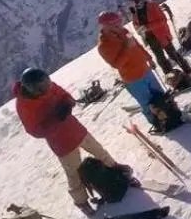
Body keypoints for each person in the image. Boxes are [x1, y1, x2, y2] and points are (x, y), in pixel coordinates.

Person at [14, 65, 131, 210]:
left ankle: (117, 171)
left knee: (100, 152)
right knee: (74, 173)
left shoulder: (49, 86)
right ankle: (81, 201)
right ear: (33, 89)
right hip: (61, 142)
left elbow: (66, 96)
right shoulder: (24, 105)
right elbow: (34, 130)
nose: (48, 87)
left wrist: (68, 104)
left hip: (75, 129)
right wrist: (55, 120)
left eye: (47, 83)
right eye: (42, 86)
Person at [97, 10, 174, 134]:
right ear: (106, 26)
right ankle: (158, 124)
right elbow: (117, 65)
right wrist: (127, 48)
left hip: (145, 70)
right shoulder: (103, 46)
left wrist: (149, 58)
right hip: (133, 79)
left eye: (119, 21)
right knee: (147, 103)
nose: (120, 25)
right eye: (116, 23)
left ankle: (171, 114)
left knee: (160, 95)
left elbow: (138, 46)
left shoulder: (125, 32)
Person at [125, 0, 191, 82]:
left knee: (173, 54)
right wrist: (139, 30)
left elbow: (162, 20)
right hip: (150, 38)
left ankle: (187, 70)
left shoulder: (152, 6)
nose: (134, 2)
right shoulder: (135, 11)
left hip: (161, 35)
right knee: (161, 59)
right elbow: (135, 24)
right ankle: (172, 79)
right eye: (132, 0)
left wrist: (147, 27)